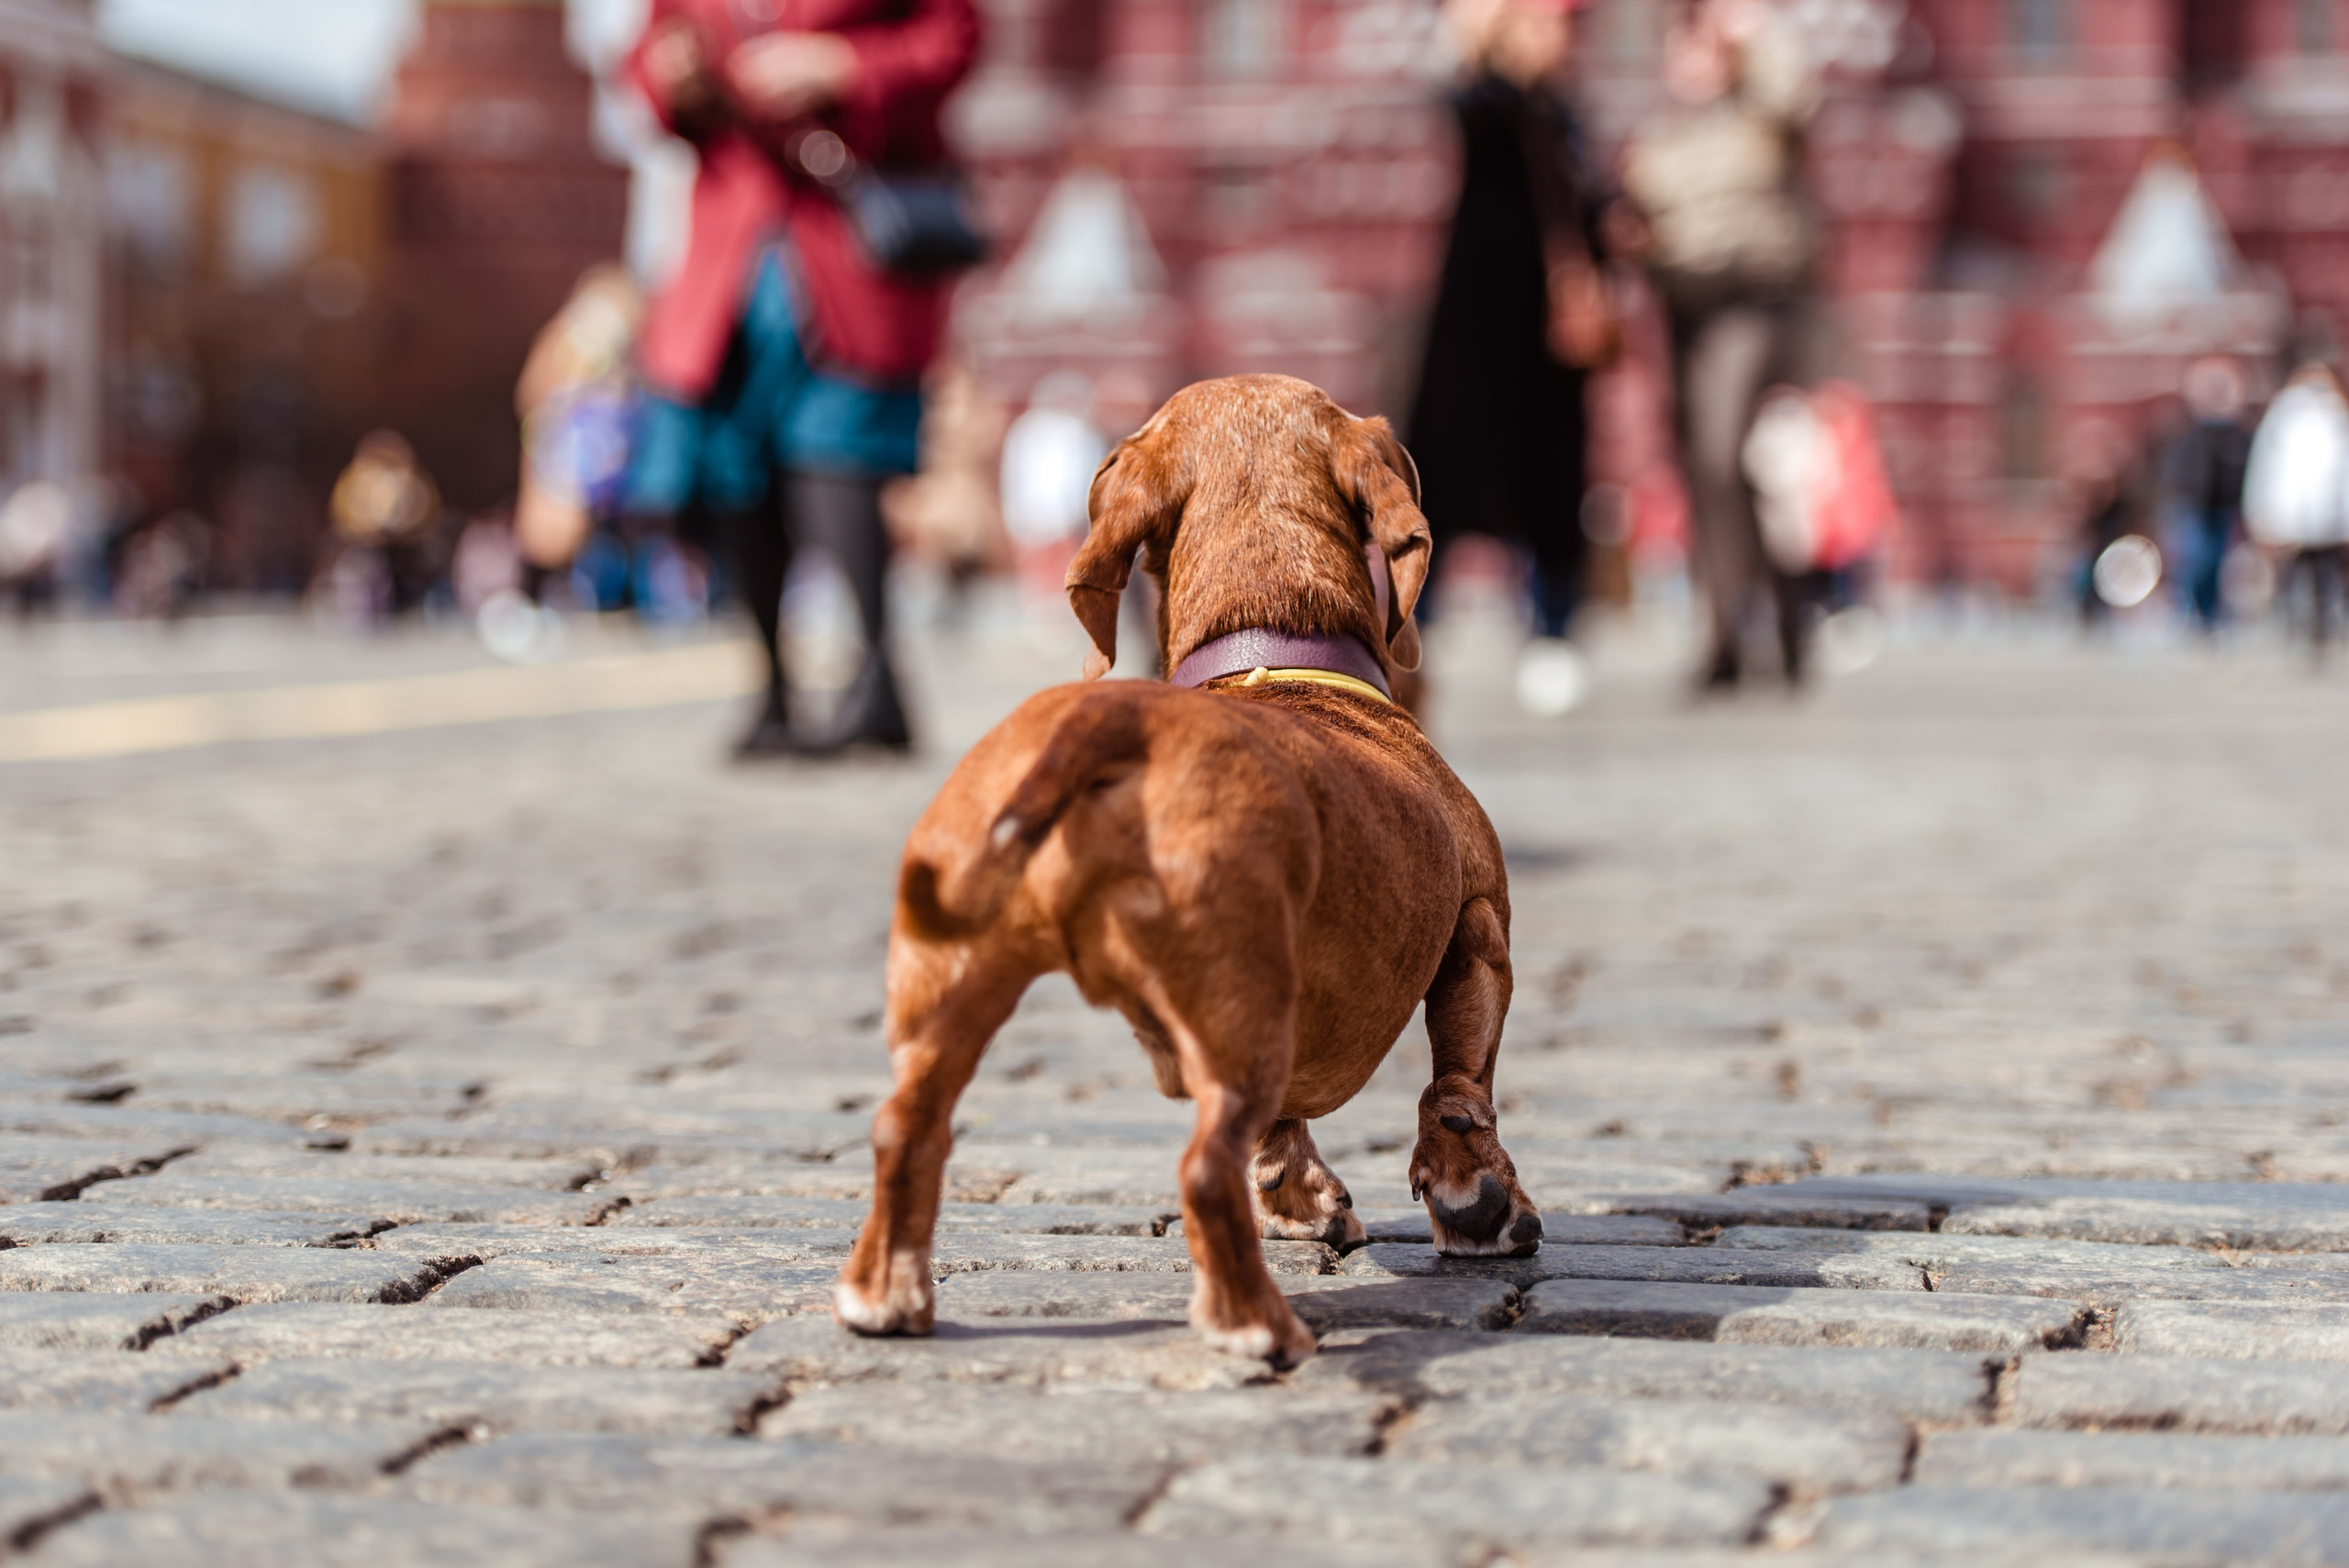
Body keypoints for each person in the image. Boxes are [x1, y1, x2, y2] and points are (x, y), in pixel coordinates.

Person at [622, 0, 980, 756]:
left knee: (838, 452)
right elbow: (647, 66)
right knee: (736, 468)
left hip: (845, 238)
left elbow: (953, 37)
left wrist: (842, 66)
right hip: (734, 252)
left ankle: (874, 680)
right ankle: (775, 689)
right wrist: (672, 78)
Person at [1407, 0, 1609, 716]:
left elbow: (1584, 207)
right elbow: (1458, 105)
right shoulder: (1492, 100)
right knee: (1440, 477)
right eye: (1553, 24)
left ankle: (1554, 626)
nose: (1565, 38)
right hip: (1479, 318)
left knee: (1553, 479)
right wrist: (1472, 33)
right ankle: (1410, 623)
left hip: (1545, 329)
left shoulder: (1563, 111)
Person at [1617, 0, 1820, 690]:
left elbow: (1796, 95)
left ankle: (1745, 623)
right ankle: (1743, 624)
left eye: (1702, 47)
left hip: (1751, 304)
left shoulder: (1762, 118)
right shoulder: (1660, 140)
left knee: (1722, 452)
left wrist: (1755, 29)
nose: (1688, 61)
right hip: (1685, 311)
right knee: (1707, 472)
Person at [2243, 360, 2349, 658]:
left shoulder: (2338, 416)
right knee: (2292, 573)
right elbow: (2267, 469)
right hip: (2292, 515)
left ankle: (2321, 627)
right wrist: (2263, 512)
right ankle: (2293, 625)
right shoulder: (2283, 417)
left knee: (2325, 574)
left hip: (2327, 516)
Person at [2158, 354, 2253, 634]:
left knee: (2216, 563)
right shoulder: (2186, 431)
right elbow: (2174, 468)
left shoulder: (2236, 435)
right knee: (2194, 560)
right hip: (2193, 506)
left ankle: (2209, 616)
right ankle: (2190, 612)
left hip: (2221, 508)